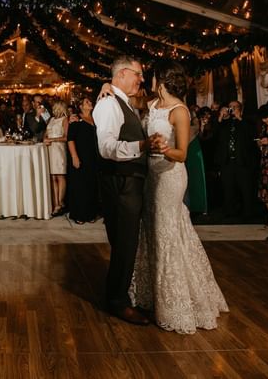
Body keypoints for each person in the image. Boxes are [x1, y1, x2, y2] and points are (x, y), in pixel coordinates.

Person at [129, 62, 228, 334]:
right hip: (151, 174)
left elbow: (182, 153)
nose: (146, 80)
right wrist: (104, 86)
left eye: (151, 76)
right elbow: (128, 96)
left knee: (168, 232)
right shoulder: (151, 105)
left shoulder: (179, 111)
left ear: (160, 80)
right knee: (152, 230)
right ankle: (153, 293)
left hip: (170, 175)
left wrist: (162, 147)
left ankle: (176, 301)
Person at [92, 56, 157, 326]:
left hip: (129, 180)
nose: (141, 79)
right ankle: (117, 301)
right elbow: (106, 148)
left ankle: (121, 294)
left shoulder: (123, 101)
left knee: (126, 242)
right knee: (124, 243)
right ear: (121, 75)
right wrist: (142, 146)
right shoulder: (109, 104)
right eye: (138, 74)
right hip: (121, 181)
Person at [213, 100, 258, 221]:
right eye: (230, 107)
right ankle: (229, 212)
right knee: (228, 188)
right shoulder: (224, 123)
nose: (232, 109)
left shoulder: (247, 122)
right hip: (227, 161)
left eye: (235, 107)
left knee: (246, 188)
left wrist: (240, 118)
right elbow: (214, 136)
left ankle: (248, 213)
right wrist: (221, 117)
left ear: (241, 109)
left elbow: (252, 135)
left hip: (243, 160)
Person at [67, 98, 99, 224]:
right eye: (86, 102)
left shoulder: (95, 119)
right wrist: (74, 157)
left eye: (90, 102)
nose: (90, 103)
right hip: (80, 156)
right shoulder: (76, 119)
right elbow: (70, 139)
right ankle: (79, 214)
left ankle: (90, 213)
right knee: (80, 186)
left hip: (93, 157)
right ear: (80, 106)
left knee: (92, 185)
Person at [44, 101, 69, 217]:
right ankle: (55, 203)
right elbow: (45, 134)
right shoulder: (51, 120)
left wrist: (53, 140)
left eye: (55, 107)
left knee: (60, 175)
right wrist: (45, 139)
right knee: (52, 177)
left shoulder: (65, 120)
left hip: (59, 149)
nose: (53, 109)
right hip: (49, 150)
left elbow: (66, 137)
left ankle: (60, 203)